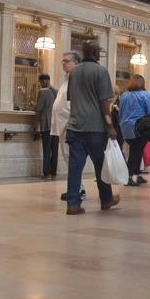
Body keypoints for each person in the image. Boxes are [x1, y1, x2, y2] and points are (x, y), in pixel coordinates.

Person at [63, 40, 119, 215]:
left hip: (74, 126)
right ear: (95, 52)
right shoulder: (101, 71)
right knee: (100, 165)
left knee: (75, 168)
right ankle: (106, 199)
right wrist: (110, 125)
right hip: (95, 128)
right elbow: (104, 102)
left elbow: (71, 98)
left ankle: (73, 204)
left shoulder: (74, 72)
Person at [52, 50, 86, 202]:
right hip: (63, 125)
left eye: (67, 61)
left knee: (72, 159)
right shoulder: (67, 79)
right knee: (68, 158)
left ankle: (78, 190)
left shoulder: (77, 80)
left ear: (76, 63)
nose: (63, 63)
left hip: (70, 125)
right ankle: (77, 188)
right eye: (62, 61)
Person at [117, 73, 150, 186]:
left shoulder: (124, 96)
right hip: (139, 128)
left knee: (137, 150)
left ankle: (138, 174)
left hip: (125, 128)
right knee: (134, 153)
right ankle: (128, 177)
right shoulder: (144, 95)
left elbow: (120, 112)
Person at [31, 73, 58, 179]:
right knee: (54, 150)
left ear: (42, 82)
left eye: (41, 82)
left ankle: (47, 173)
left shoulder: (43, 91)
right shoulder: (56, 91)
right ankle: (54, 173)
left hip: (46, 123)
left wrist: (33, 106)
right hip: (56, 124)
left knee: (46, 149)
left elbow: (39, 108)